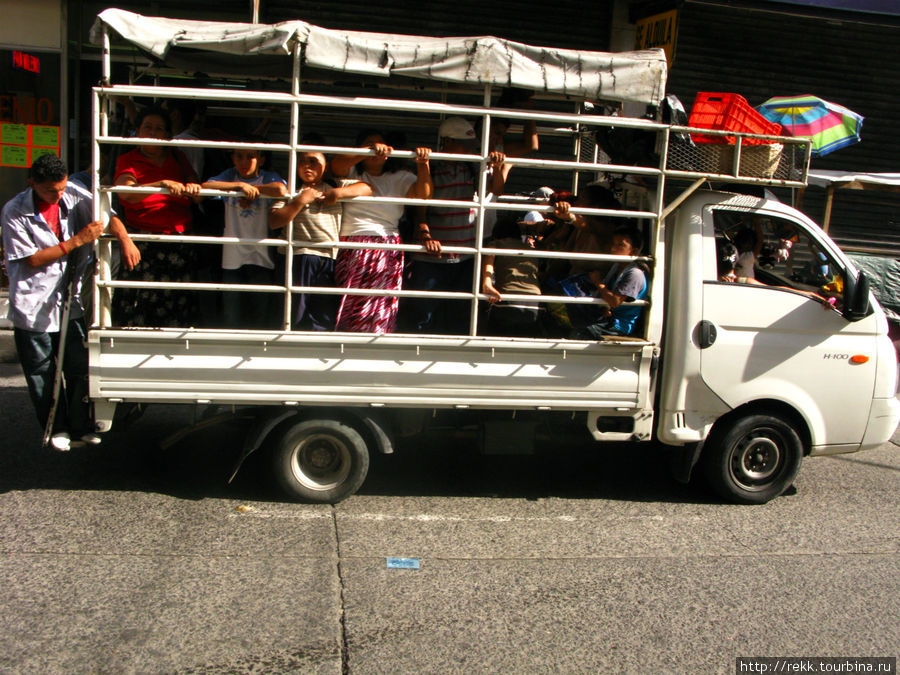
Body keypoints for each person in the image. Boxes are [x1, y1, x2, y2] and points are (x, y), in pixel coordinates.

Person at [2, 154, 139, 451]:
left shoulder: (73, 193)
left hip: (68, 300)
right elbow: (34, 259)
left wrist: (125, 239)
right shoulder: (14, 211)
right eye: (51, 191)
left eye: (62, 188)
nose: (58, 195)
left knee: (79, 366)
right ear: (32, 184)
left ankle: (80, 425)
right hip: (33, 304)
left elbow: (107, 213)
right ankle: (57, 427)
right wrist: (77, 240)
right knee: (43, 373)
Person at [404, 117, 505, 334]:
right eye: (464, 145)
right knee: (423, 312)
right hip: (431, 258)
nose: (469, 151)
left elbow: (496, 189)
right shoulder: (431, 168)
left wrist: (496, 167)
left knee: (460, 312)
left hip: (465, 255)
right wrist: (426, 237)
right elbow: (420, 209)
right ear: (447, 142)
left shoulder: (471, 167)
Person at [329, 130, 432, 333]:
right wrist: (367, 152)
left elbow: (423, 194)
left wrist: (423, 163)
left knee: (381, 301)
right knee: (353, 300)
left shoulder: (401, 177)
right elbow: (336, 165)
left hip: (387, 245)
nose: (376, 148)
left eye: (380, 144)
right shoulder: (352, 172)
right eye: (369, 144)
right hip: (352, 244)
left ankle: (378, 337)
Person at [112, 106, 202, 327]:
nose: (153, 132)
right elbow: (126, 193)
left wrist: (192, 187)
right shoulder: (128, 159)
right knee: (140, 300)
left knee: (177, 299)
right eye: (148, 127)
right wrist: (161, 185)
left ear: (168, 135)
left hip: (178, 240)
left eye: (159, 128)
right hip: (144, 241)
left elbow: (197, 192)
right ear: (137, 131)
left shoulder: (178, 157)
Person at [269, 146, 373, 331]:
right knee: (295, 308)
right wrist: (301, 200)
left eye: (314, 162)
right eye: (302, 161)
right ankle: (291, 344)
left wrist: (337, 194)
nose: (307, 166)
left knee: (323, 308)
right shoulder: (291, 190)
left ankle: (319, 346)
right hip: (300, 254)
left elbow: (366, 188)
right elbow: (275, 221)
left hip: (329, 256)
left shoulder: (333, 185)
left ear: (325, 167)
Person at [202, 144, 287, 328]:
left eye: (251, 156)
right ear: (233, 158)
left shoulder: (268, 176)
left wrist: (255, 190)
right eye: (239, 156)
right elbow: (206, 186)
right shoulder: (230, 176)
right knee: (231, 310)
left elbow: (281, 190)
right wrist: (241, 186)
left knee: (260, 311)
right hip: (232, 256)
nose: (244, 161)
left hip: (261, 255)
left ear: (261, 160)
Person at [552, 226, 649, 339]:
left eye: (620, 245)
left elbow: (615, 301)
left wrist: (598, 282)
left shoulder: (634, 274)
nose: (613, 249)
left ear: (634, 251)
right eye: (613, 244)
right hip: (607, 316)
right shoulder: (617, 267)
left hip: (618, 325)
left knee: (580, 332)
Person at [480, 211, 548, 337]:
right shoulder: (530, 249)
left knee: (494, 342)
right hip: (536, 304)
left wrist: (487, 283)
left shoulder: (497, 244)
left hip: (508, 300)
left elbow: (489, 258)